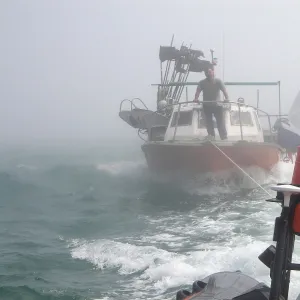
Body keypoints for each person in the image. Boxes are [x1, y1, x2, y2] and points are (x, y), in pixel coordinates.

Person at [194, 68, 229, 140]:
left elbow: (224, 91)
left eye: (209, 72)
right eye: (206, 72)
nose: (208, 74)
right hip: (207, 105)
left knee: (220, 122)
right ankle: (211, 136)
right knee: (208, 122)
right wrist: (196, 98)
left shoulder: (218, 81)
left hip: (217, 105)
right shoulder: (202, 82)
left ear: (213, 72)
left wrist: (227, 98)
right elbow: (198, 91)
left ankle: (224, 137)